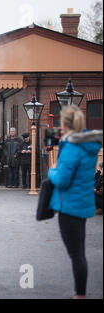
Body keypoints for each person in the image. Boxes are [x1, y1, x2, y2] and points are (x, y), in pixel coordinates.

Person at [48, 105, 102, 299]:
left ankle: (80, 294)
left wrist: (52, 169)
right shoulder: (88, 143)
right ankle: (80, 293)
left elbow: (62, 179)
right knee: (80, 252)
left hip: (69, 206)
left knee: (76, 255)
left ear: (66, 123)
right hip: (83, 204)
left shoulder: (72, 147)